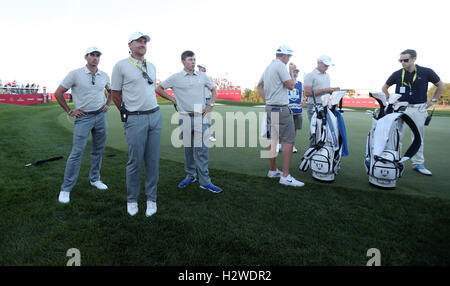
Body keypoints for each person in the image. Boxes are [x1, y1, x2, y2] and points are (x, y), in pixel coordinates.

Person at [111, 32, 172, 217]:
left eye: (145, 41)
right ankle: (132, 199)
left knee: (153, 161)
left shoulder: (151, 66)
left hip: (154, 116)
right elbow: (115, 93)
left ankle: (151, 199)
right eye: (139, 41)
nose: (143, 43)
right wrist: (126, 112)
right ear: (130, 44)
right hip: (134, 118)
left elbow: (152, 87)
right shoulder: (120, 65)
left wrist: (171, 99)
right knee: (135, 161)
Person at [156, 50, 223, 193]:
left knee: (202, 150)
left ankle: (205, 182)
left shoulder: (203, 76)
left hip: (200, 117)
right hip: (184, 117)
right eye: (190, 59)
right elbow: (159, 89)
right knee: (188, 149)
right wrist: (173, 99)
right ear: (183, 61)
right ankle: (190, 176)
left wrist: (211, 105)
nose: (193, 62)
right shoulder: (176, 77)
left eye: (194, 59)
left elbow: (214, 89)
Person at [55, 46, 112, 204]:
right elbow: (58, 93)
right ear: (86, 57)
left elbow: (112, 90)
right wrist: (69, 111)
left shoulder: (104, 75)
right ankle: (66, 188)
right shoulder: (75, 74)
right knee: (76, 153)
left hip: (100, 116)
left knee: (98, 150)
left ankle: (95, 179)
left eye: (97, 55)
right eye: (92, 55)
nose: (95, 57)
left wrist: (108, 103)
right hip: (83, 118)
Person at [382, 49, 445, 176]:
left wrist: (432, 101)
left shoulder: (426, 71)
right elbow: (384, 87)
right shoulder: (398, 73)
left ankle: (418, 163)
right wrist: (389, 99)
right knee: (396, 134)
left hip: (418, 108)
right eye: (401, 60)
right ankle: (394, 159)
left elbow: (440, 85)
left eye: (406, 60)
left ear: (414, 59)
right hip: (400, 107)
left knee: (417, 136)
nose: (403, 63)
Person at [257, 45, 304, 187]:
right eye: (288, 57)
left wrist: (268, 100)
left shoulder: (268, 67)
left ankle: (273, 170)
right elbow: (291, 85)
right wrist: (290, 70)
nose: (288, 59)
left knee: (274, 138)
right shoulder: (281, 66)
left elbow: (259, 86)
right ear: (284, 56)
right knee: (289, 140)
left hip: (271, 107)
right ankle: (285, 176)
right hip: (281, 108)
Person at [304, 55, 340, 122]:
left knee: (326, 130)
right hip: (314, 106)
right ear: (319, 63)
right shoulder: (310, 75)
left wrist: (332, 90)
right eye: (325, 65)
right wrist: (325, 90)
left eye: (328, 66)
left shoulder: (327, 75)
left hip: (326, 105)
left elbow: (326, 90)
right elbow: (307, 93)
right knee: (316, 130)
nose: (327, 67)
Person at [277, 64, 303, 154]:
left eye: (297, 72)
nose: (296, 73)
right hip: (287, 108)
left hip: (297, 110)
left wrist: (303, 102)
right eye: (294, 71)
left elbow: (301, 96)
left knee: (294, 129)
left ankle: (292, 146)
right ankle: (279, 145)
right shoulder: (286, 82)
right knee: (283, 128)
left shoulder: (300, 83)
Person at [197, 63, 217, 143]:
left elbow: (213, 90)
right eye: (199, 67)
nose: (199, 69)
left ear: (205, 69)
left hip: (207, 100)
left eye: (201, 67)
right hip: (198, 100)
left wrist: (211, 103)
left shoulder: (209, 78)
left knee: (207, 119)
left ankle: (209, 136)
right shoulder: (195, 77)